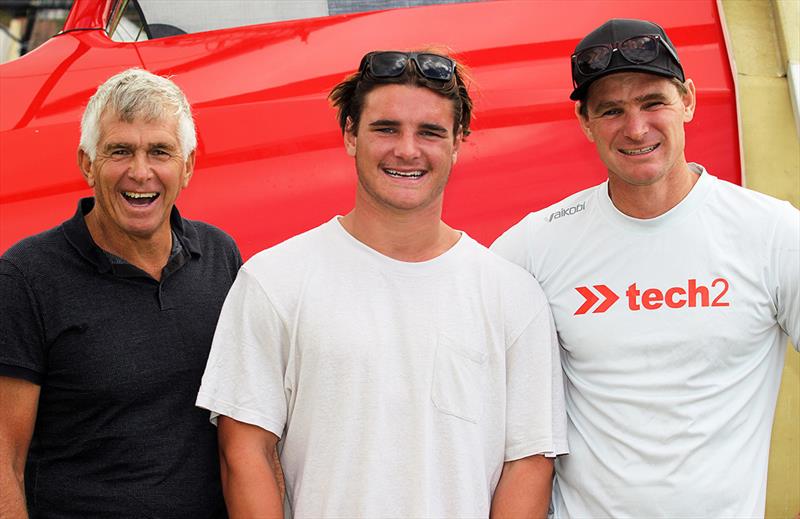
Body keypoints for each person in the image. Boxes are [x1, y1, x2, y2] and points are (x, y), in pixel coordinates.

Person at [196, 50, 568, 518]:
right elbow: (244, 450)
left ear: (458, 142)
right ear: (351, 134)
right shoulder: (274, 280)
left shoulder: (513, 296)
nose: (407, 150)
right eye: (386, 128)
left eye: (430, 132)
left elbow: (530, 462)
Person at [492, 18, 800, 518]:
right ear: (585, 123)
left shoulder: (771, 233)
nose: (635, 128)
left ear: (688, 101)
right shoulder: (539, 241)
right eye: (611, 110)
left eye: (653, 102)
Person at [0, 68, 241, 518]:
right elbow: (3, 459)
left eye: (160, 151)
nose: (140, 172)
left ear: (187, 166)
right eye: (119, 151)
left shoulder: (221, 256)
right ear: (87, 164)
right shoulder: (26, 277)